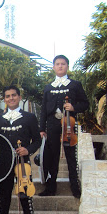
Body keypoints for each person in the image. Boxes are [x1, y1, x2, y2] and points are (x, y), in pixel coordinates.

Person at [0, 86, 41, 214]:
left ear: (19, 97)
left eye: (13, 95)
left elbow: (37, 141)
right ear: (4, 99)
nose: (10, 98)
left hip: (23, 164)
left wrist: (28, 150)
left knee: (26, 198)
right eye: (7, 96)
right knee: (3, 201)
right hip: (4, 166)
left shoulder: (30, 117)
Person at [39, 55, 88, 198]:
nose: (60, 66)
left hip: (69, 124)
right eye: (57, 64)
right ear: (53, 67)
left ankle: (75, 188)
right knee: (52, 157)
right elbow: (43, 110)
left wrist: (73, 107)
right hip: (52, 124)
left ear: (67, 66)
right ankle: (50, 187)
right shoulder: (48, 87)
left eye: (63, 64)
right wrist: (42, 128)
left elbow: (85, 104)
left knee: (71, 157)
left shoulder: (75, 84)